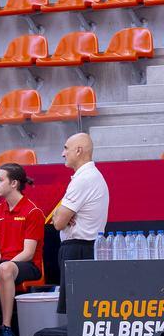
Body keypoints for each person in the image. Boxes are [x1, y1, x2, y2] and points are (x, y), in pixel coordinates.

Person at [0, 163, 45, 336]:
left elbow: (28, 253)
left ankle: (6, 328)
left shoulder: (33, 212)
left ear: (14, 184)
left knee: (5, 268)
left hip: (28, 266)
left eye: (0, 179)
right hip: (4, 263)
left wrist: (2, 265)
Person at [52, 132, 109, 315]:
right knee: (84, 311)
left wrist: (62, 216)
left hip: (79, 251)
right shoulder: (88, 177)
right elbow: (57, 216)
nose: (63, 153)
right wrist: (61, 215)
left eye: (66, 148)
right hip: (84, 249)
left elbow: (58, 222)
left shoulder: (83, 179)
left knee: (78, 313)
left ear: (78, 150)